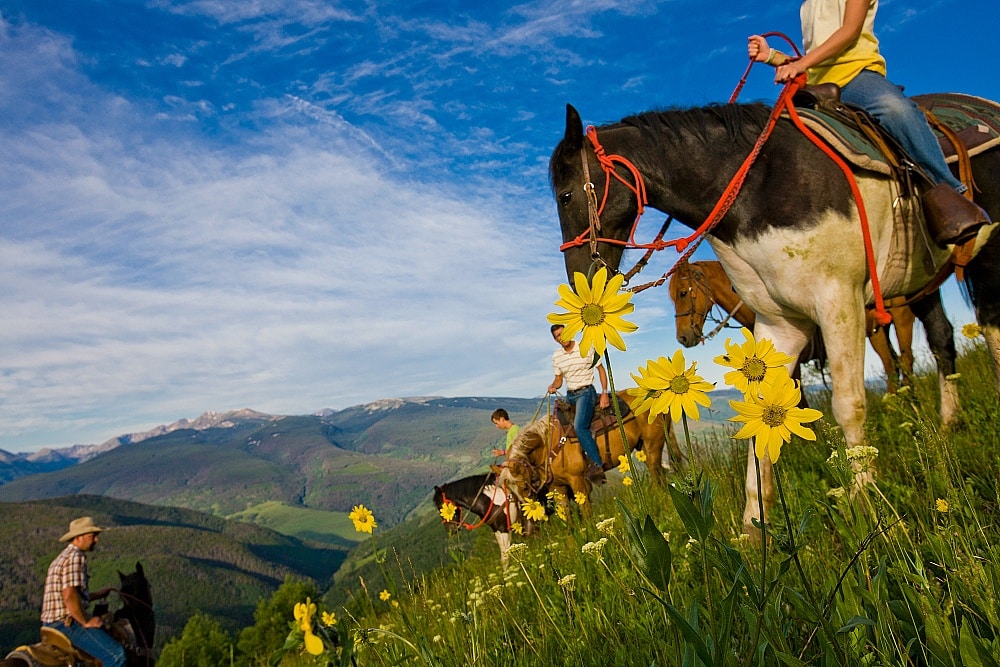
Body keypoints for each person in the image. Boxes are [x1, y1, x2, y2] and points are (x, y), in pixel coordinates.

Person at [748, 0, 989, 248]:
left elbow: (849, 32)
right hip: (817, 84)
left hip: (855, 76)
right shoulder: (808, 5)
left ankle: (950, 194)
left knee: (895, 110)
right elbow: (816, 55)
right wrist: (773, 56)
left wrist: (800, 64)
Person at [41, 516, 125, 667]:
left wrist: (97, 595)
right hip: (66, 623)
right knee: (117, 656)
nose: (96, 540)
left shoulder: (61, 557)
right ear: (78, 538)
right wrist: (85, 622)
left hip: (49, 623)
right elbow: (69, 595)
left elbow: (69, 595)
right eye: (92, 536)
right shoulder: (76, 557)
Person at [547, 324, 610, 481]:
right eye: (558, 336)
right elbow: (559, 379)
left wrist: (604, 393)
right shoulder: (557, 356)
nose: (562, 337)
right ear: (555, 340)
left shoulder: (585, 346)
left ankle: (597, 463)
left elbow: (601, 369)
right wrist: (553, 386)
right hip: (570, 394)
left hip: (586, 392)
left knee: (579, 426)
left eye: (563, 333)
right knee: (557, 425)